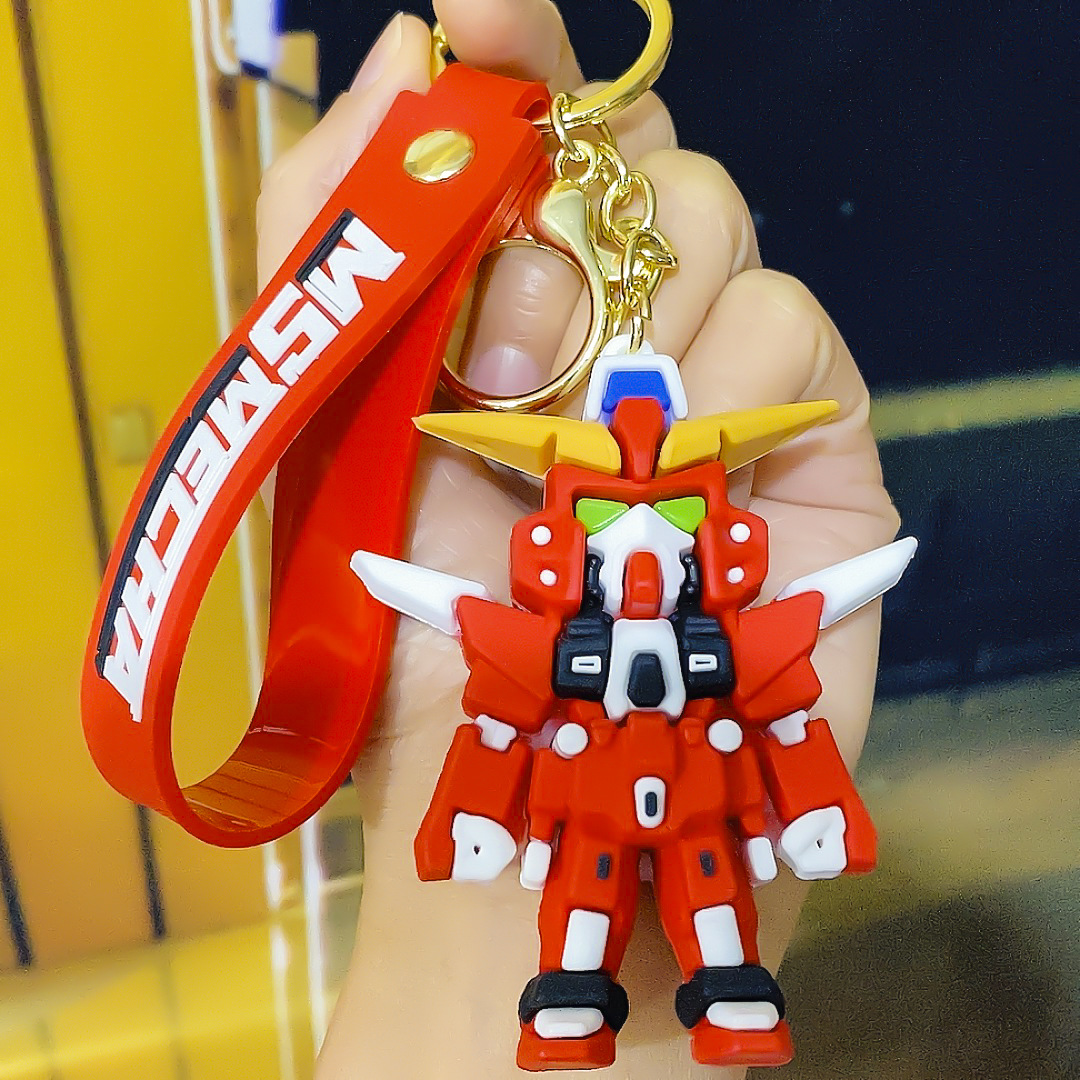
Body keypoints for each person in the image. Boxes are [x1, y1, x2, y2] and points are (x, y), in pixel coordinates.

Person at [256, 2, 899, 1075]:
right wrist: (469, 822)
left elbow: (785, 717)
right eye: (605, 512)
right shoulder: (550, 644)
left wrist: (813, 809)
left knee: (710, 894)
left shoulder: (720, 641)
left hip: (701, 798)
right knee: (585, 894)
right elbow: (498, 719)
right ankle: (565, 998)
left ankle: (727, 989)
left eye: (675, 512)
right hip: (587, 806)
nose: (641, 534)